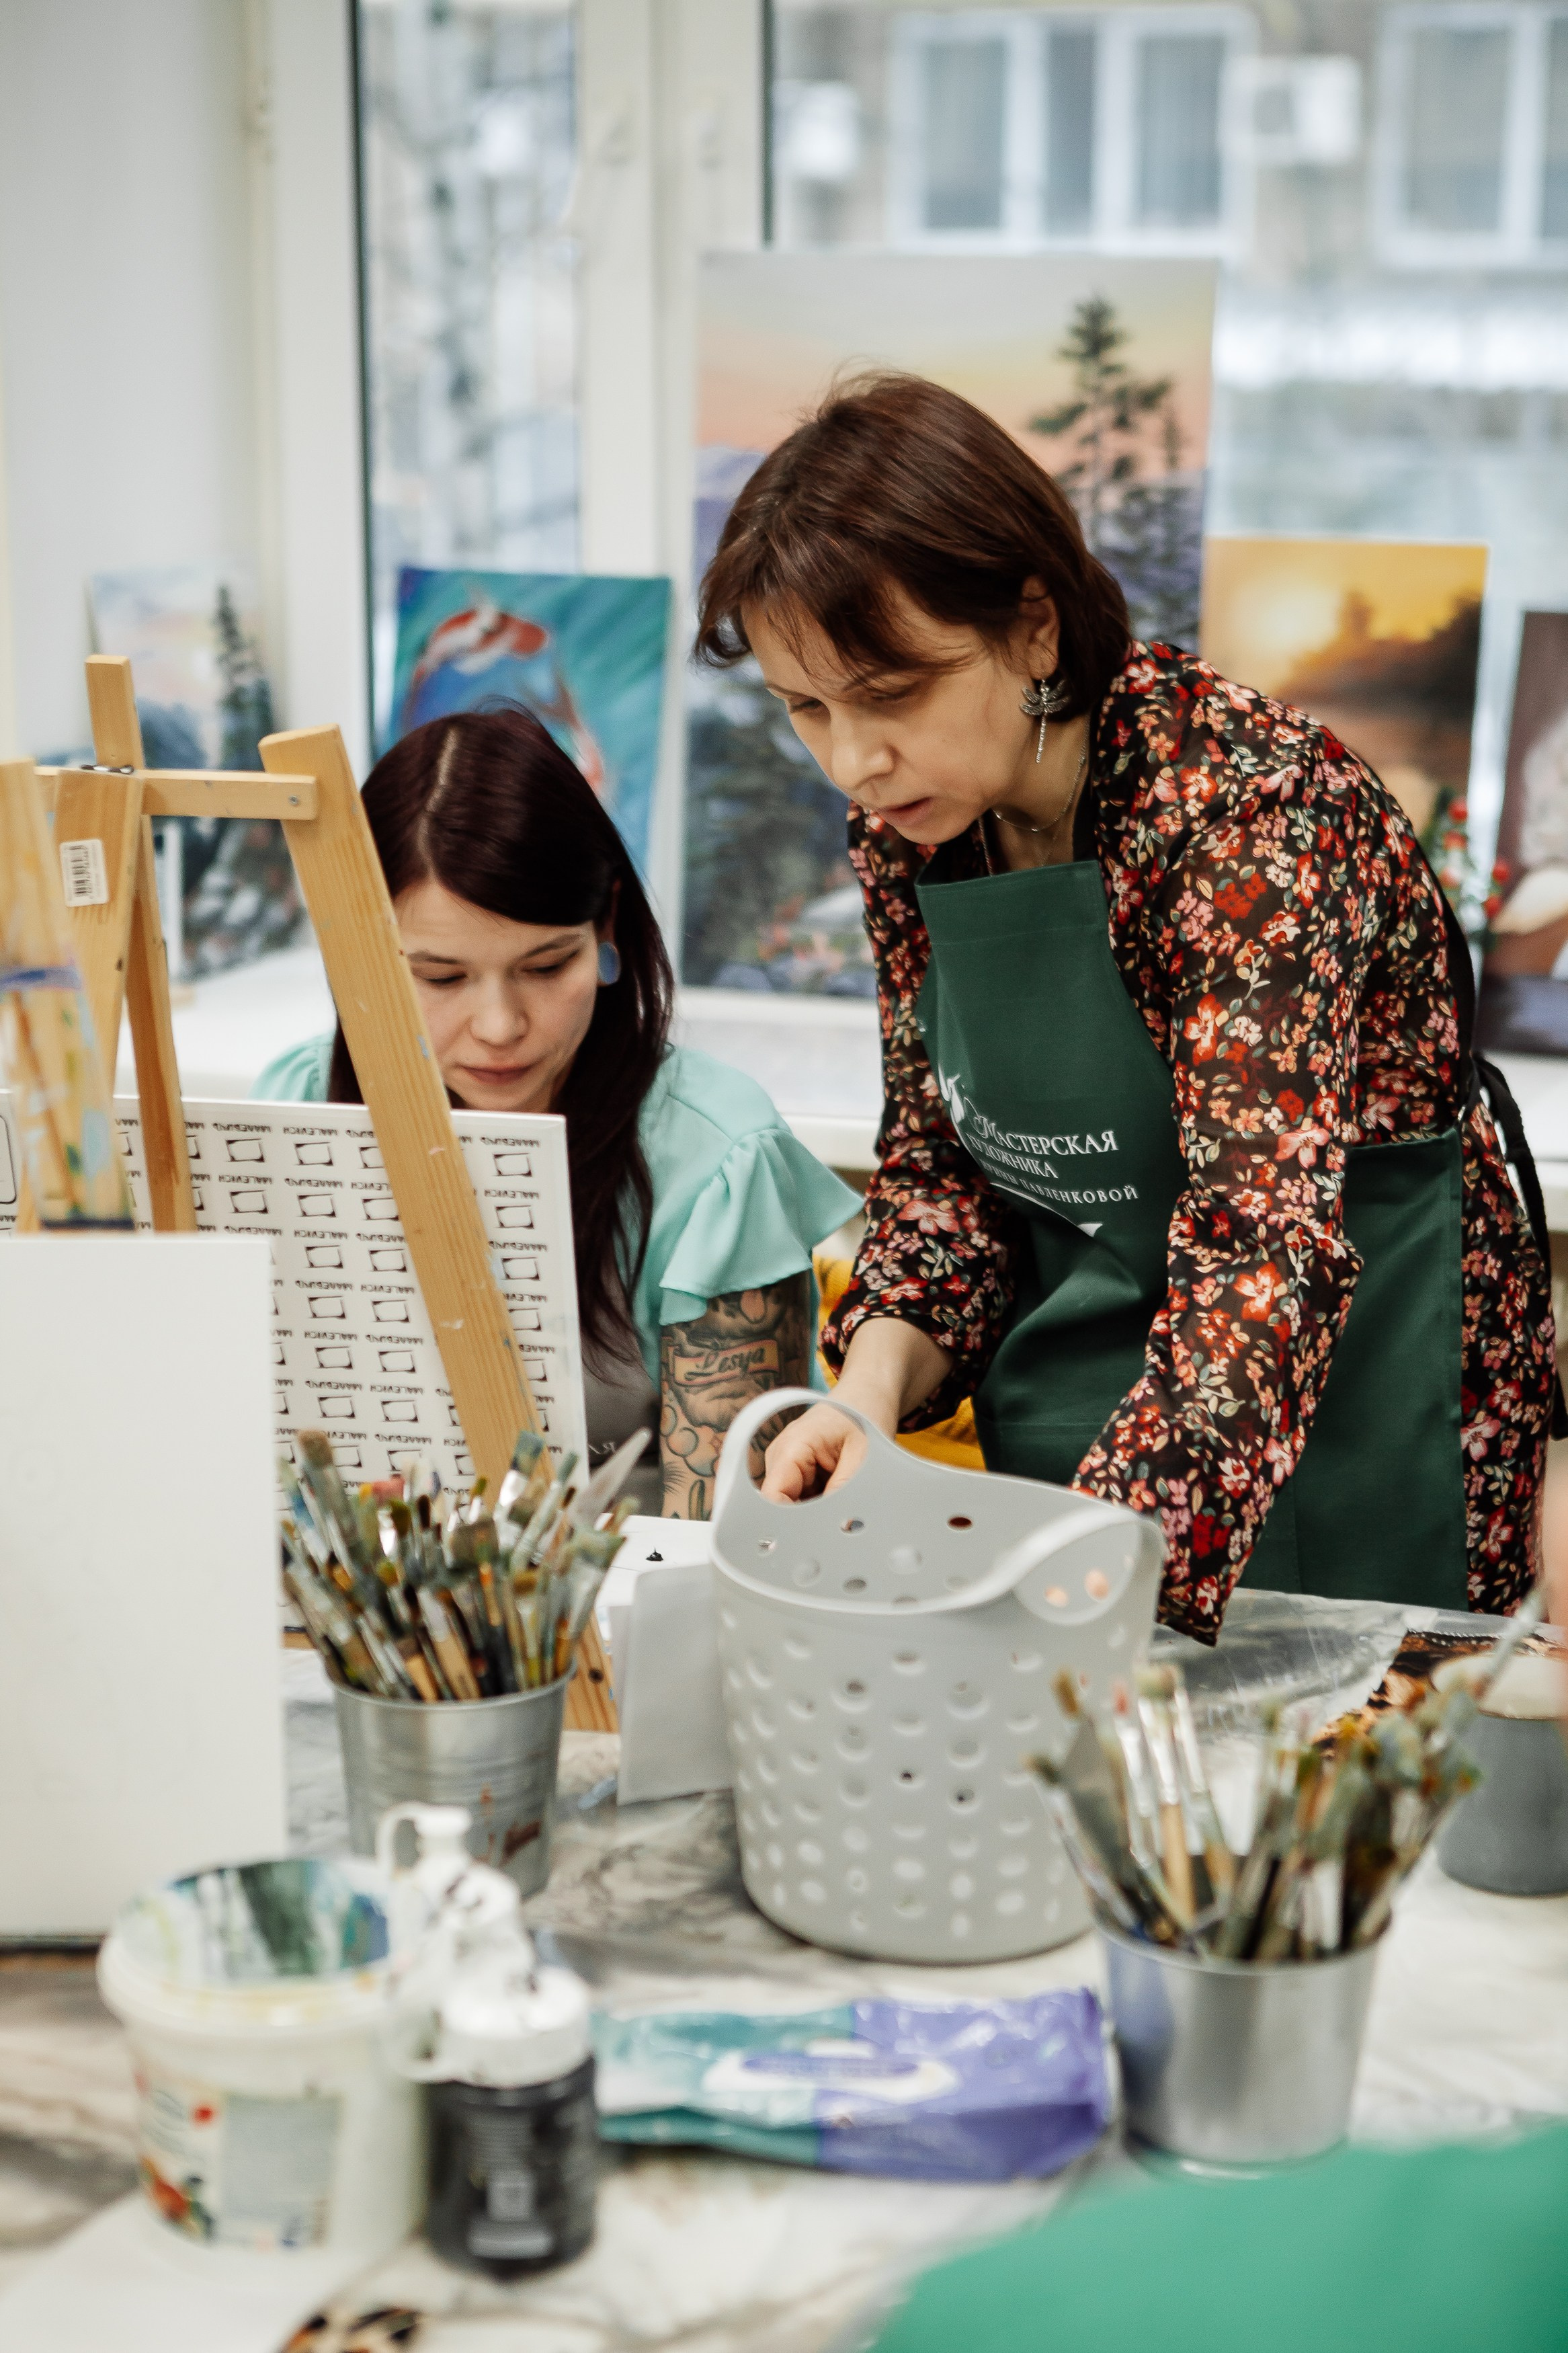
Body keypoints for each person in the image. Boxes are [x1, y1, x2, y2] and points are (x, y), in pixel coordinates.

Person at [696, 372, 1558, 1636]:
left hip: (1371, 1401)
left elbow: (1261, 1254)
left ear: (1034, 628)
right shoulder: (915, 830)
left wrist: (1087, 1581)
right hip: (1100, 1389)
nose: (851, 761)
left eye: (891, 694)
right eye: (805, 709)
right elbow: (946, 1168)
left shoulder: (1245, 817)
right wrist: (866, 1394)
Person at [255, 705, 859, 1517]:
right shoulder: (297, 1104)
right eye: (439, 977)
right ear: (360, 952)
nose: (500, 1026)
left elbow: (723, 1532)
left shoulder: (715, 1157)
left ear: (605, 923)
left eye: (545, 966)